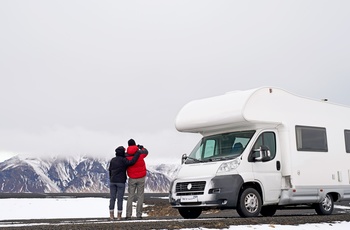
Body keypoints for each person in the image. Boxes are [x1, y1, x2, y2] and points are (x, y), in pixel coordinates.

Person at [108, 146, 140, 220]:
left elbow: (110, 170)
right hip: (121, 182)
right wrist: (137, 154)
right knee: (120, 199)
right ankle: (119, 215)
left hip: (113, 181)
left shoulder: (113, 160)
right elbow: (132, 162)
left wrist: (111, 178)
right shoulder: (123, 160)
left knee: (112, 198)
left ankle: (111, 215)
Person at [125, 139, 148, 220]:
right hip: (141, 177)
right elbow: (146, 151)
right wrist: (141, 147)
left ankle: (128, 215)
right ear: (135, 144)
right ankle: (139, 215)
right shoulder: (140, 153)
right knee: (140, 196)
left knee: (130, 196)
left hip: (132, 178)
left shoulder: (126, 155)